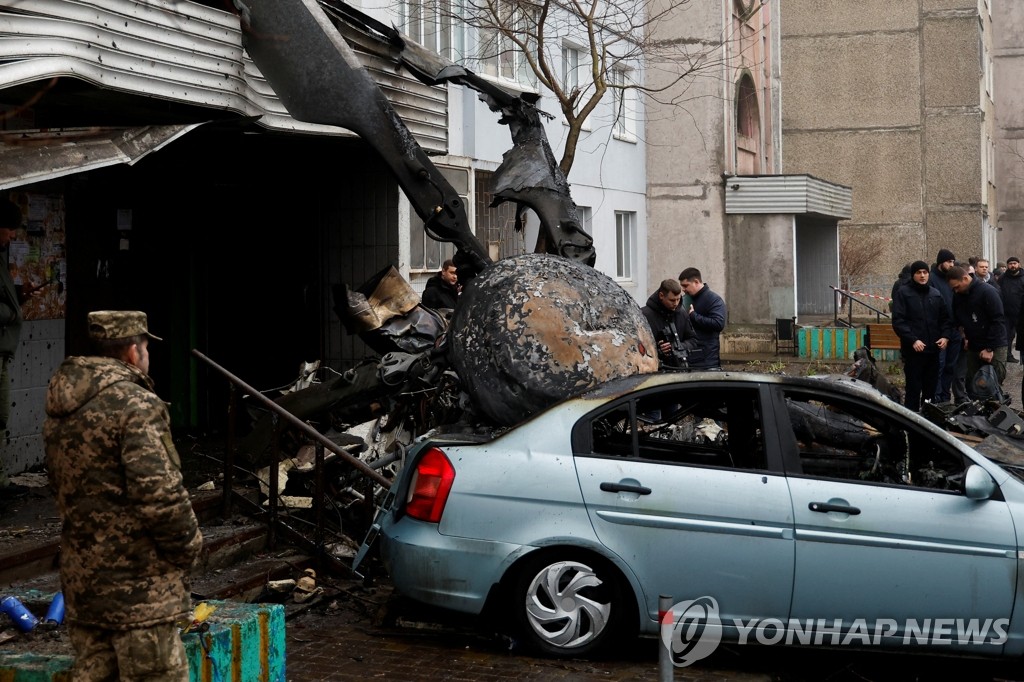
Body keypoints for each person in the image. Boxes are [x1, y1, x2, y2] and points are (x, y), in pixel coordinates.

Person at [43, 310, 202, 681]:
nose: (147, 355)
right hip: (140, 595)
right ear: (133, 351)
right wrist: (189, 548)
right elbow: (160, 496)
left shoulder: (63, 403)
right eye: (146, 347)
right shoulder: (137, 406)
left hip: (84, 589)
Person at [891, 261, 951, 412]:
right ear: (913, 275)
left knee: (930, 389)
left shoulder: (935, 294)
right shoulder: (904, 293)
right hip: (914, 351)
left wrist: (945, 336)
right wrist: (913, 340)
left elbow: (945, 319)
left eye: (925, 272)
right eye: (919, 272)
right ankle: (910, 420)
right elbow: (898, 321)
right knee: (913, 388)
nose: (922, 275)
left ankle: (928, 420)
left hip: (933, 350)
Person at [946, 266, 1008, 400]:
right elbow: (959, 319)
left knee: (991, 385)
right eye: (953, 288)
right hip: (974, 345)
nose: (955, 291)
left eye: (957, 287)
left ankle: (996, 416)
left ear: (965, 278)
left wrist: (989, 348)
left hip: (994, 345)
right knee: (973, 386)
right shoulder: (958, 296)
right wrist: (965, 336)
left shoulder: (988, 292)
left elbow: (997, 320)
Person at [0, 198, 25, 498]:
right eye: (8, 229)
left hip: (3, 351)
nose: (12, 236)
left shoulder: (1, 258)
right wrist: (12, 312)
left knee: (2, 416)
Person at [930, 249, 967, 404]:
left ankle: (945, 396)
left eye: (953, 262)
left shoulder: (952, 279)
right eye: (949, 262)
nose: (952, 264)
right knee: (939, 365)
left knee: (951, 366)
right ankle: (937, 397)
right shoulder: (932, 279)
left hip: (955, 330)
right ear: (941, 263)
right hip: (940, 331)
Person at [641, 279, 700, 370]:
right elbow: (638, 348)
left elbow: (693, 340)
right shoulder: (645, 316)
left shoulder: (681, 313)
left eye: (678, 299)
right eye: (672, 300)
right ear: (661, 296)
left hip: (679, 368)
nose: (676, 303)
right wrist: (658, 349)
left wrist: (678, 347)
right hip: (654, 371)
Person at [678, 267, 726, 369]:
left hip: (707, 362)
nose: (683, 289)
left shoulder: (714, 300)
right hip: (689, 359)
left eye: (686, 285)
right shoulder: (685, 300)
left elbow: (718, 323)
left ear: (696, 282)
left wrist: (694, 316)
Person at [999, 256, 1024, 363]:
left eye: (1015, 263)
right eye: (1010, 263)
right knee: (1007, 336)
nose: (1012, 265)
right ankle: (1007, 355)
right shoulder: (1003, 278)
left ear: (1019, 264)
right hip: (1007, 313)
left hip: (1021, 313)